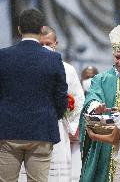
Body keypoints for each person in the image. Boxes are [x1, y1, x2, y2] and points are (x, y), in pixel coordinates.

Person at [0, 9, 68, 182]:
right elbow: (61, 96)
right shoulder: (54, 59)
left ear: (19, 29)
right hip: (41, 130)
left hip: (8, 130)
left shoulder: (3, 56)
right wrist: (54, 115)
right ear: (41, 29)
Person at [19, 26, 85, 182]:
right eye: (41, 45)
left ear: (56, 43)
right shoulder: (28, 68)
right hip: (32, 128)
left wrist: (70, 122)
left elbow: (78, 98)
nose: (45, 48)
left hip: (58, 127)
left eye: (48, 44)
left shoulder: (68, 69)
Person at [79, 20, 120, 182]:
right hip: (105, 139)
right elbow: (92, 97)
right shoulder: (101, 78)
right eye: (117, 57)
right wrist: (96, 107)